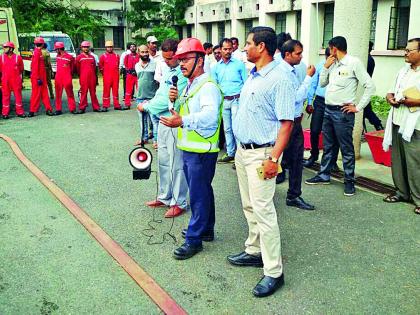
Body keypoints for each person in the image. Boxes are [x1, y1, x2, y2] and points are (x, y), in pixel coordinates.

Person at [228, 26, 295, 298]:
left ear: (262, 47)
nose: (244, 48)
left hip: (263, 154)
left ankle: (274, 272)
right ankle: (254, 250)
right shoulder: (253, 74)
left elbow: (287, 123)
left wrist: (273, 158)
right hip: (244, 152)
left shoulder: (280, 78)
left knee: (264, 210)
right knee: (249, 204)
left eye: (247, 44)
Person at [160, 37, 223, 260]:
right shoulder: (190, 85)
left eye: (186, 59)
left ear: (200, 60)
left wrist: (183, 121)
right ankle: (206, 229)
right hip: (191, 149)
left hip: (202, 150)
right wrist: (174, 103)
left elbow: (209, 117)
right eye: (180, 60)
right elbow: (182, 113)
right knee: (203, 190)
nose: (182, 64)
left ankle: (194, 239)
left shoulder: (208, 87)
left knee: (197, 194)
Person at [305, 36, 375, 196]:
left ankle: (349, 181)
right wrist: (326, 67)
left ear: (334, 48)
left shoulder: (353, 63)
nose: (328, 52)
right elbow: (322, 83)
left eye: (329, 48)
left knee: (346, 148)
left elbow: (370, 86)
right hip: (328, 110)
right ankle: (324, 175)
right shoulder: (332, 64)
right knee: (329, 146)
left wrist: (357, 107)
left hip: (342, 113)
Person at [137, 39, 188, 218]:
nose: (168, 62)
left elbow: (167, 100)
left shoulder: (182, 74)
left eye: (171, 59)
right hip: (163, 121)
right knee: (164, 161)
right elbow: (160, 93)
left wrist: (147, 107)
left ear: (178, 55)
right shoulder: (167, 69)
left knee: (177, 164)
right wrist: (150, 103)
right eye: (165, 59)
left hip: (175, 122)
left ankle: (178, 201)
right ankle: (165, 196)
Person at [383, 38, 420, 215]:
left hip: (415, 125)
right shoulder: (403, 71)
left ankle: (418, 198)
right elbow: (391, 91)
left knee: (415, 163)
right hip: (398, 120)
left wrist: (415, 101)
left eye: (409, 50)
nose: (405, 53)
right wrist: (390, 98)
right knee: (397, 160)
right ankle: (402, 192)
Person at [277, 39, 316, 210]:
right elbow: (295, 97)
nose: (301, 57)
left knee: (293, 159)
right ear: (287, 54)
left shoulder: (288, 69)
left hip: (292, 121)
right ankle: (292, 195)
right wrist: (308, 78)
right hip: (288, 122)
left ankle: (293, 194)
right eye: (298, 53)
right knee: (294, 159)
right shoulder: (284, 73)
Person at [212, 38, 247, 164]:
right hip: (224, 101)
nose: (227, 51)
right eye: (225, 49)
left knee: (237, 127)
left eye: (230, 49)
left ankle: (240, 156)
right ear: (220, 50)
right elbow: (215, 86)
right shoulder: (215, 67)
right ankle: (231, 153)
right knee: (227, 128)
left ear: (233, 49)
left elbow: (246, 83)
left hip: (236, 99)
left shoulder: (239, 64)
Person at [303, 47, 333, 167]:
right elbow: (313, 84)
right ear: (326, 57)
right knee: (315, 130)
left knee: (330, 134)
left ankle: (330, 160)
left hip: (333, 103)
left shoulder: (339, 67)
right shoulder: (320, 66)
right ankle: (313, 155)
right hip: (320, 102)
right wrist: (310, 102)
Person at [135, 45, 159, 145]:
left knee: (154, 121)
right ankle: (143, 139)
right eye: (142, 52)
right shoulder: (137, 65)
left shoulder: (155, 64)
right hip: (140, 97)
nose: (145, 54)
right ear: (138, 53)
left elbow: (158, 81)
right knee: (142, 121)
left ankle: (156, 140)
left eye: (146, 52)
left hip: (152, 97)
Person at [29, 37, 54, 117]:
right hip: (38, 78)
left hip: (41, 77)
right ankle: (32, 111)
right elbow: (35, 67)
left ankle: (48, 109)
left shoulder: (38, 52)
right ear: (43, 44)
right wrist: (37, 78)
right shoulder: (36, 53)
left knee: (44, 94)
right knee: (36, 94)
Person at [75, 41, 101, 114]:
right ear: (81, 48)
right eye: (84, 47)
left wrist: (96, 79)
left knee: (93, 93)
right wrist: (81, 76)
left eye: (87, 47)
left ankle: (96, 107)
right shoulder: (79, 57)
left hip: (92, 77)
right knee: (83, 92)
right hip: (83, 77)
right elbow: (77, 68)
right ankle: (82, 108)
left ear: (89, 48)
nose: (85, 48)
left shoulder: (92, 57)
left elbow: (95, 68)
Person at [1, 41, 25, 119]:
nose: (4, 49)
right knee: (5, 97)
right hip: (5, 81)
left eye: (5, 47)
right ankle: (5, 113)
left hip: (16, 80)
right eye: (4, 47)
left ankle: (20, 112)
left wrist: (21, 80)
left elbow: (21, 69)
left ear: (11, 49)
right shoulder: (1, 57)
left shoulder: (18, 58)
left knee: (18, 96)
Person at [363, 41, 384, 131]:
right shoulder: (370, 59)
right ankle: (377, 125)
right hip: (365, 87)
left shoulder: (367, 59)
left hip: (363, 87)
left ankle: (378, 125)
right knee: (366, 109)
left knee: (366, 109)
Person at [54, 41, 76, 115]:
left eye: (56, 49)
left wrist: (70, 74)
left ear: (59, 49)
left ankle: (72, 108)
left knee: (70, 93)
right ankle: (58, 109)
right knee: (58, 94)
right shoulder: (57, 56)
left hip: (67, 77)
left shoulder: (70, 57)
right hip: (58, 77)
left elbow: (73, 68)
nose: (56, 51)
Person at [99, 40, 121, 111]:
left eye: (111, 47)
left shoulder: (117, 56)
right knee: (106, 91)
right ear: (106, 48)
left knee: (115, 91)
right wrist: (104, 75)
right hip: (107, 77)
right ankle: (105, 105)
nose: (110, 48)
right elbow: (101, 67)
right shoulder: (103, 56)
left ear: (113, 47)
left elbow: (118, 66)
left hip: (115, 77)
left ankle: (116, 105)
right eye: (108, 47)